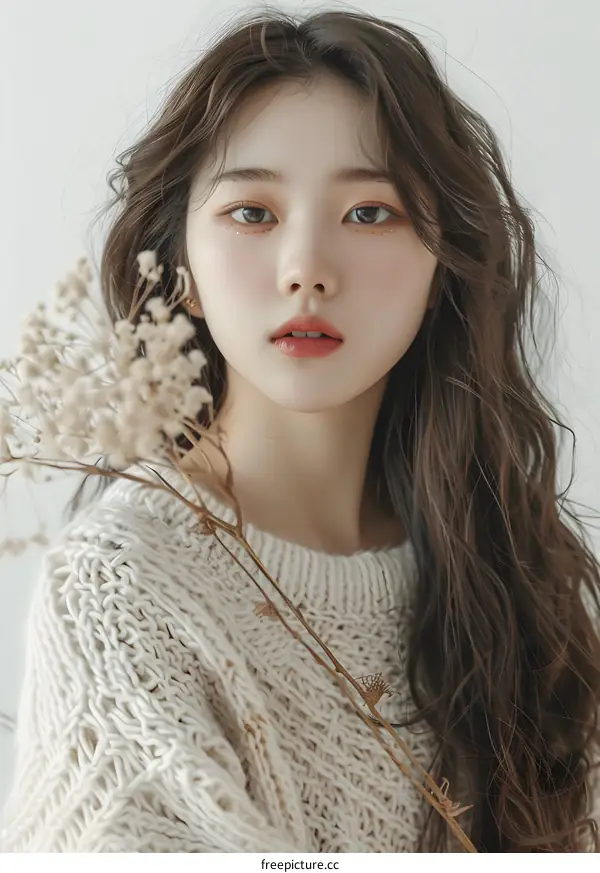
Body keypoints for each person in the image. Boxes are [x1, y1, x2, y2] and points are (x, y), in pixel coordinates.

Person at [2, 6, 600, 853]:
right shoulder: (124, 592)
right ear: (183, 272)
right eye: (252, 212)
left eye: (369, 214)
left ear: (441, 271)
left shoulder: (518, 578)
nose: (307, 270)